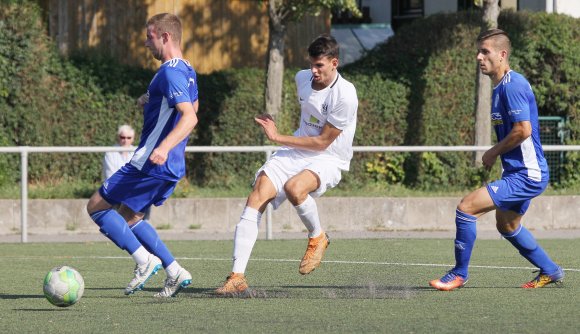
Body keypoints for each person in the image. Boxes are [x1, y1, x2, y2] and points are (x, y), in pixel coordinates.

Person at [215, 34, 358, 295]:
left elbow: (323, 142)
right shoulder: (302, 78)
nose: (313, 71)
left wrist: (277, 136)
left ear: (334, 63)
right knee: (258, 192)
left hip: (329, 156)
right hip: (298, 149)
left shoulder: (345, 95)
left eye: (320, 66)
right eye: (311, 64)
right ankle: (237, 276)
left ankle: (317, 236)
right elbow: (309, 120)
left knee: (295, 188)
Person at [429, 29, 564, 291]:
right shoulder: (500, 87)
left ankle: (459, 273)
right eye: (478, 52)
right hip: (520, 173)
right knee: (507, 224)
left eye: (485, 52)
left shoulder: (513, 85)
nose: (479, 57)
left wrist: (493, 152)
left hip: (527, 174)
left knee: (466, 207)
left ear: (502, 55)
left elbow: (523, 129)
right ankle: (550, 270)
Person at [86, 13, 199, 298]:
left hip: (152, 160)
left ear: (165, 36)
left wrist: (162, 147)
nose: (145, 42)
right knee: (130, 216)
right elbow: (191, 104)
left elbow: (189, 117)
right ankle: (174, 271)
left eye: (149, 36)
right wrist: (149, 101)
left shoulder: (170, 71)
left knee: (97, 207)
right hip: (171, 166)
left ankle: (145, 260)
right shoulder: (186, 69)